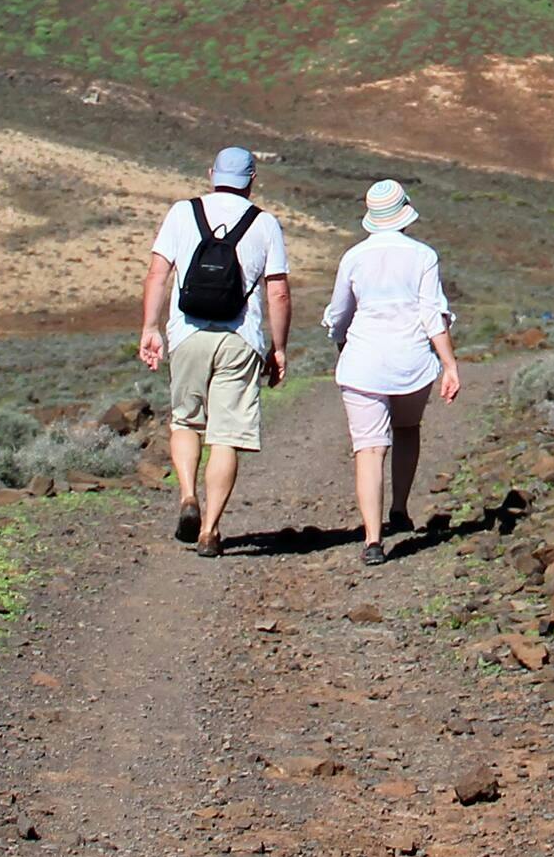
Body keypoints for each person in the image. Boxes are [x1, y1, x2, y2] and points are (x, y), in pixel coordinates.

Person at [137, 147, 289, 558]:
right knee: (226, 436)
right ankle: (210, 529)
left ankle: (188, 495)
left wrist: (151, 328)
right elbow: (277, 290)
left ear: (211, 174)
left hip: (187, 334)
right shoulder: (265, 223)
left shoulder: (181, 213)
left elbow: (157, 273)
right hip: (240, 340)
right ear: (252, 179)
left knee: (186, 421)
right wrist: (278, 348)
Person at [320, 177, 461, 565]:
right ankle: (399, 508)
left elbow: (339, 315)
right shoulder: (423, 256)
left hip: (363, 362)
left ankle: (372, 538)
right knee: (406, 429)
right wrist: (449, 364)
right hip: (412, 361)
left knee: (368, 447)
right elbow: (433, 314)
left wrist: (341, 341)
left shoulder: (353, 257)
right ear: (404, 214)